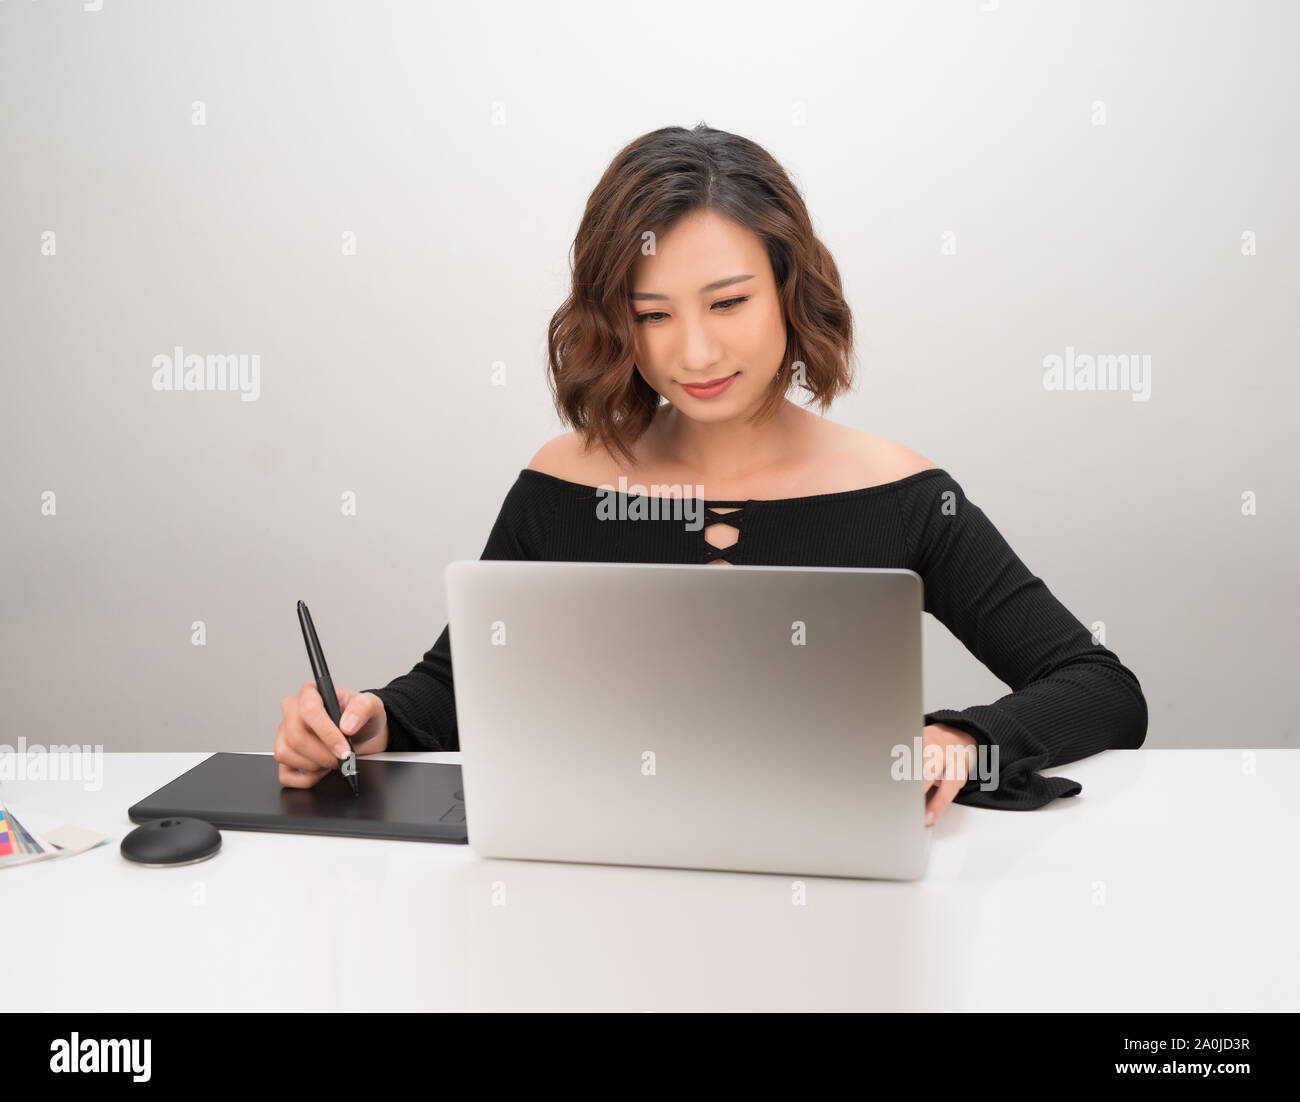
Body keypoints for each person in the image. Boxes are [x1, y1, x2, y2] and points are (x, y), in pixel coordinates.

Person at [273, 123, 1148, 824]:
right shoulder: (561, 484)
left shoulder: (906, 496)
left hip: (842, 907)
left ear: (789, 289)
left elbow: (1100, 689)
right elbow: (457, 687)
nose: (693, 352)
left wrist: (963, 736)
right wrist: (368, 721)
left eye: (728, 302)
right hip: (595, 891)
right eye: (652, 315)